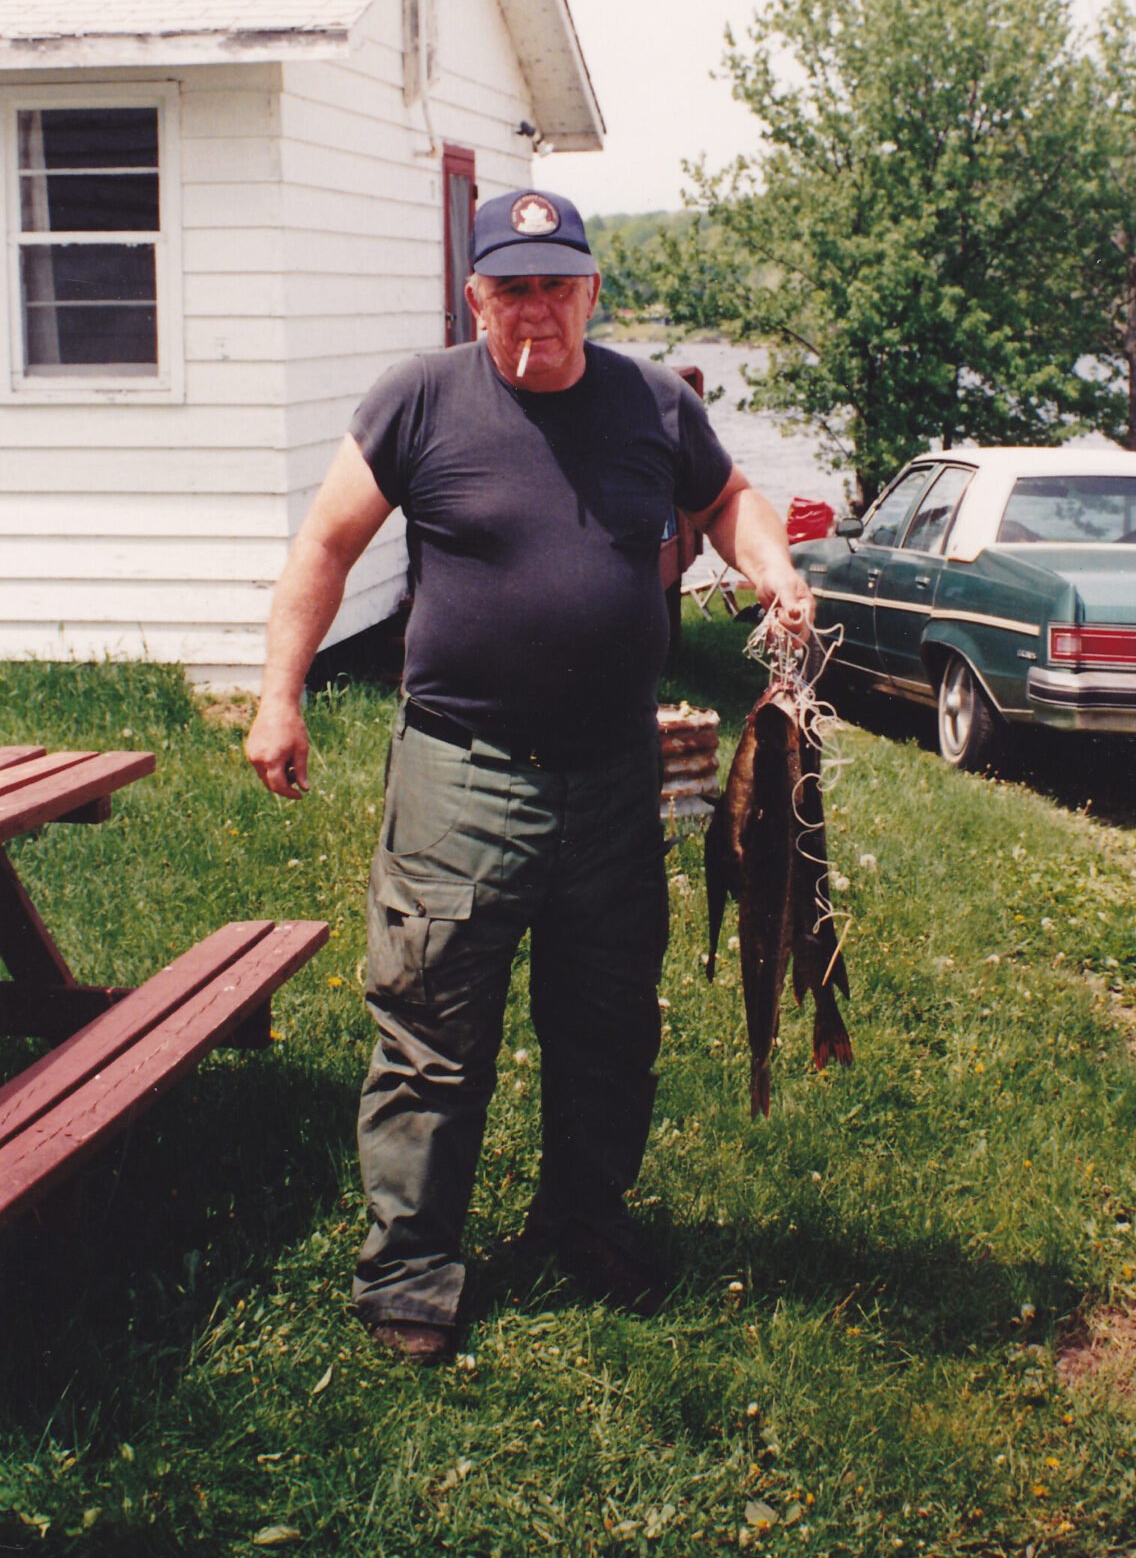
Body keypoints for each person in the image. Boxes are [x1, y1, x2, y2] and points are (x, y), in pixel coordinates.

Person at [246, 188, 813, 1365]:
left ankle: (583, 1224)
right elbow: (326, 545)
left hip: (615, 780)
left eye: (558, 285)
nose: (537, 310)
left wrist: (771, 567)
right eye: (513, 287)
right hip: (462, 774)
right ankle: (410, 1271)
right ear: (476, 296)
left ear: (592, 291)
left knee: (607, 1024)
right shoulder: (419, 399)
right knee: (433, 1028)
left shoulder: (652, 402)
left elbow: (724, 500)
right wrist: (279, 694)